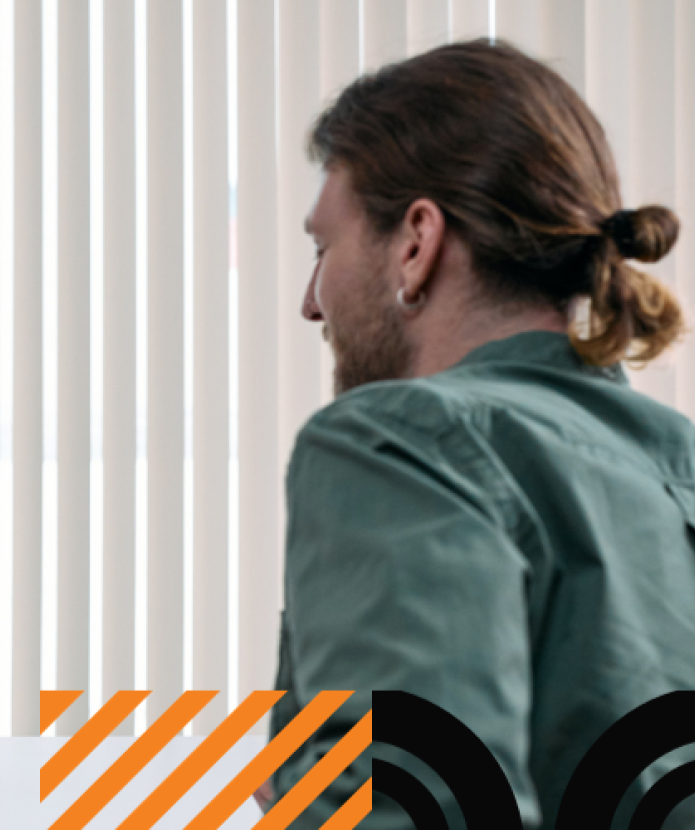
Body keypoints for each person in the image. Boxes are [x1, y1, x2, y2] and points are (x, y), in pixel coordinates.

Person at [264, 40, 695, 828]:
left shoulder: (399, 441)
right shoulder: (675, 463)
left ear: (416, 241)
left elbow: (419, 809)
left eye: (323, 247)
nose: (310, 303)